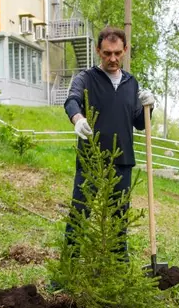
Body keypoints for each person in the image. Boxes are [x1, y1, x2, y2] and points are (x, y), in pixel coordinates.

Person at [63, 26, 154, 252]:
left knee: (119, 220)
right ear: (97, 51)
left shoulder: (131, 84)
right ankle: (69, 268)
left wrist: (148, 107)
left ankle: (118, 268)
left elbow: (139, 123)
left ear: (125, 50)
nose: (112, 58)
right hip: (90, 160)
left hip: (122, 162)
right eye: (106, 53)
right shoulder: (86, 78)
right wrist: (78, 119)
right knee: (80, 214)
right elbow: (72, 100)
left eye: (117, 53)